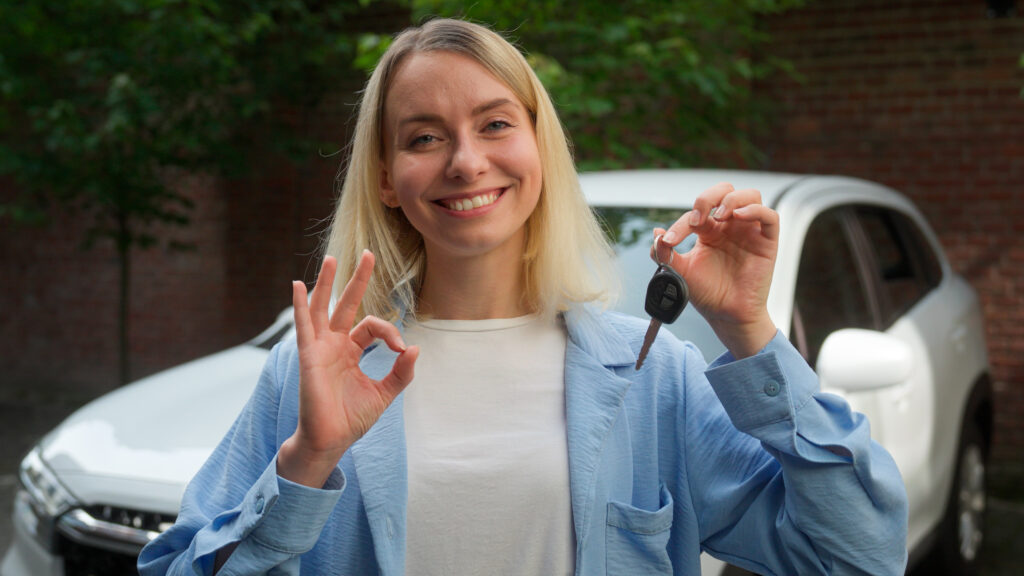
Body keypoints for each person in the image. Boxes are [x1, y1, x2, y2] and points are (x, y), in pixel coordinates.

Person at [138, 18, 907, 576]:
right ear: (386, 179)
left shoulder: (652, 378)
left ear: (540, 145)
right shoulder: (311, 379)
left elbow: (858, 557)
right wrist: (308, 461)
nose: (466, 162)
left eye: (495, 124)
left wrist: (749, 330)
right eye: (424, 137)